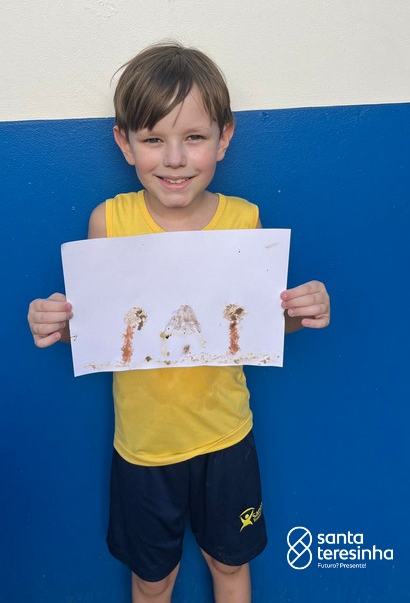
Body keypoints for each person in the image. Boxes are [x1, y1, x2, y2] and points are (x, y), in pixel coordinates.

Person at [27, 43, 330, 603]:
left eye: (193, 137)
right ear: (124, 143)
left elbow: (259, 326)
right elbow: (99, 331)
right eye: (152, 139)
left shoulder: (244, 220)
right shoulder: (109, 221)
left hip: (227, 435)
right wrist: (56, 322)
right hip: (144, 448)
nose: (174, 158)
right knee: (153, 579)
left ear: (224, 138)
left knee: (230, 565)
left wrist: (301, 312)